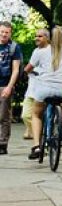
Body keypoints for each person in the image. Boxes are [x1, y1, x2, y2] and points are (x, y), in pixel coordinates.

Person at [24, 26, 62, 160]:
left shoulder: (40, 52)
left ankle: (37, 146)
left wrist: (30, 72)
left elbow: (27, 69)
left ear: (49, 38)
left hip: (44, 89)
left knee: (36, 114)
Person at [21, 29, 50, 141]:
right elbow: (29, 68)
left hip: (44, 88)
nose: (37, 38)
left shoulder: (51, 51)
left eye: (40, 36)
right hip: (32, 88)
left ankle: (43, 137)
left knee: (45, 116)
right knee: (25, 115)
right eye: (36, 36)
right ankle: (34, 132)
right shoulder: (35, 51)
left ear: (47, 38)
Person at [0, 21, 24, 155]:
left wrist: (9, 86)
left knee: (4, 115)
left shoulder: (14, 47)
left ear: (10, 33)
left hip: (5, 84)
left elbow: (15, 70)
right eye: (2, 31)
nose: (4, 34)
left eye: (6, 32)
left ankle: (2, 144)